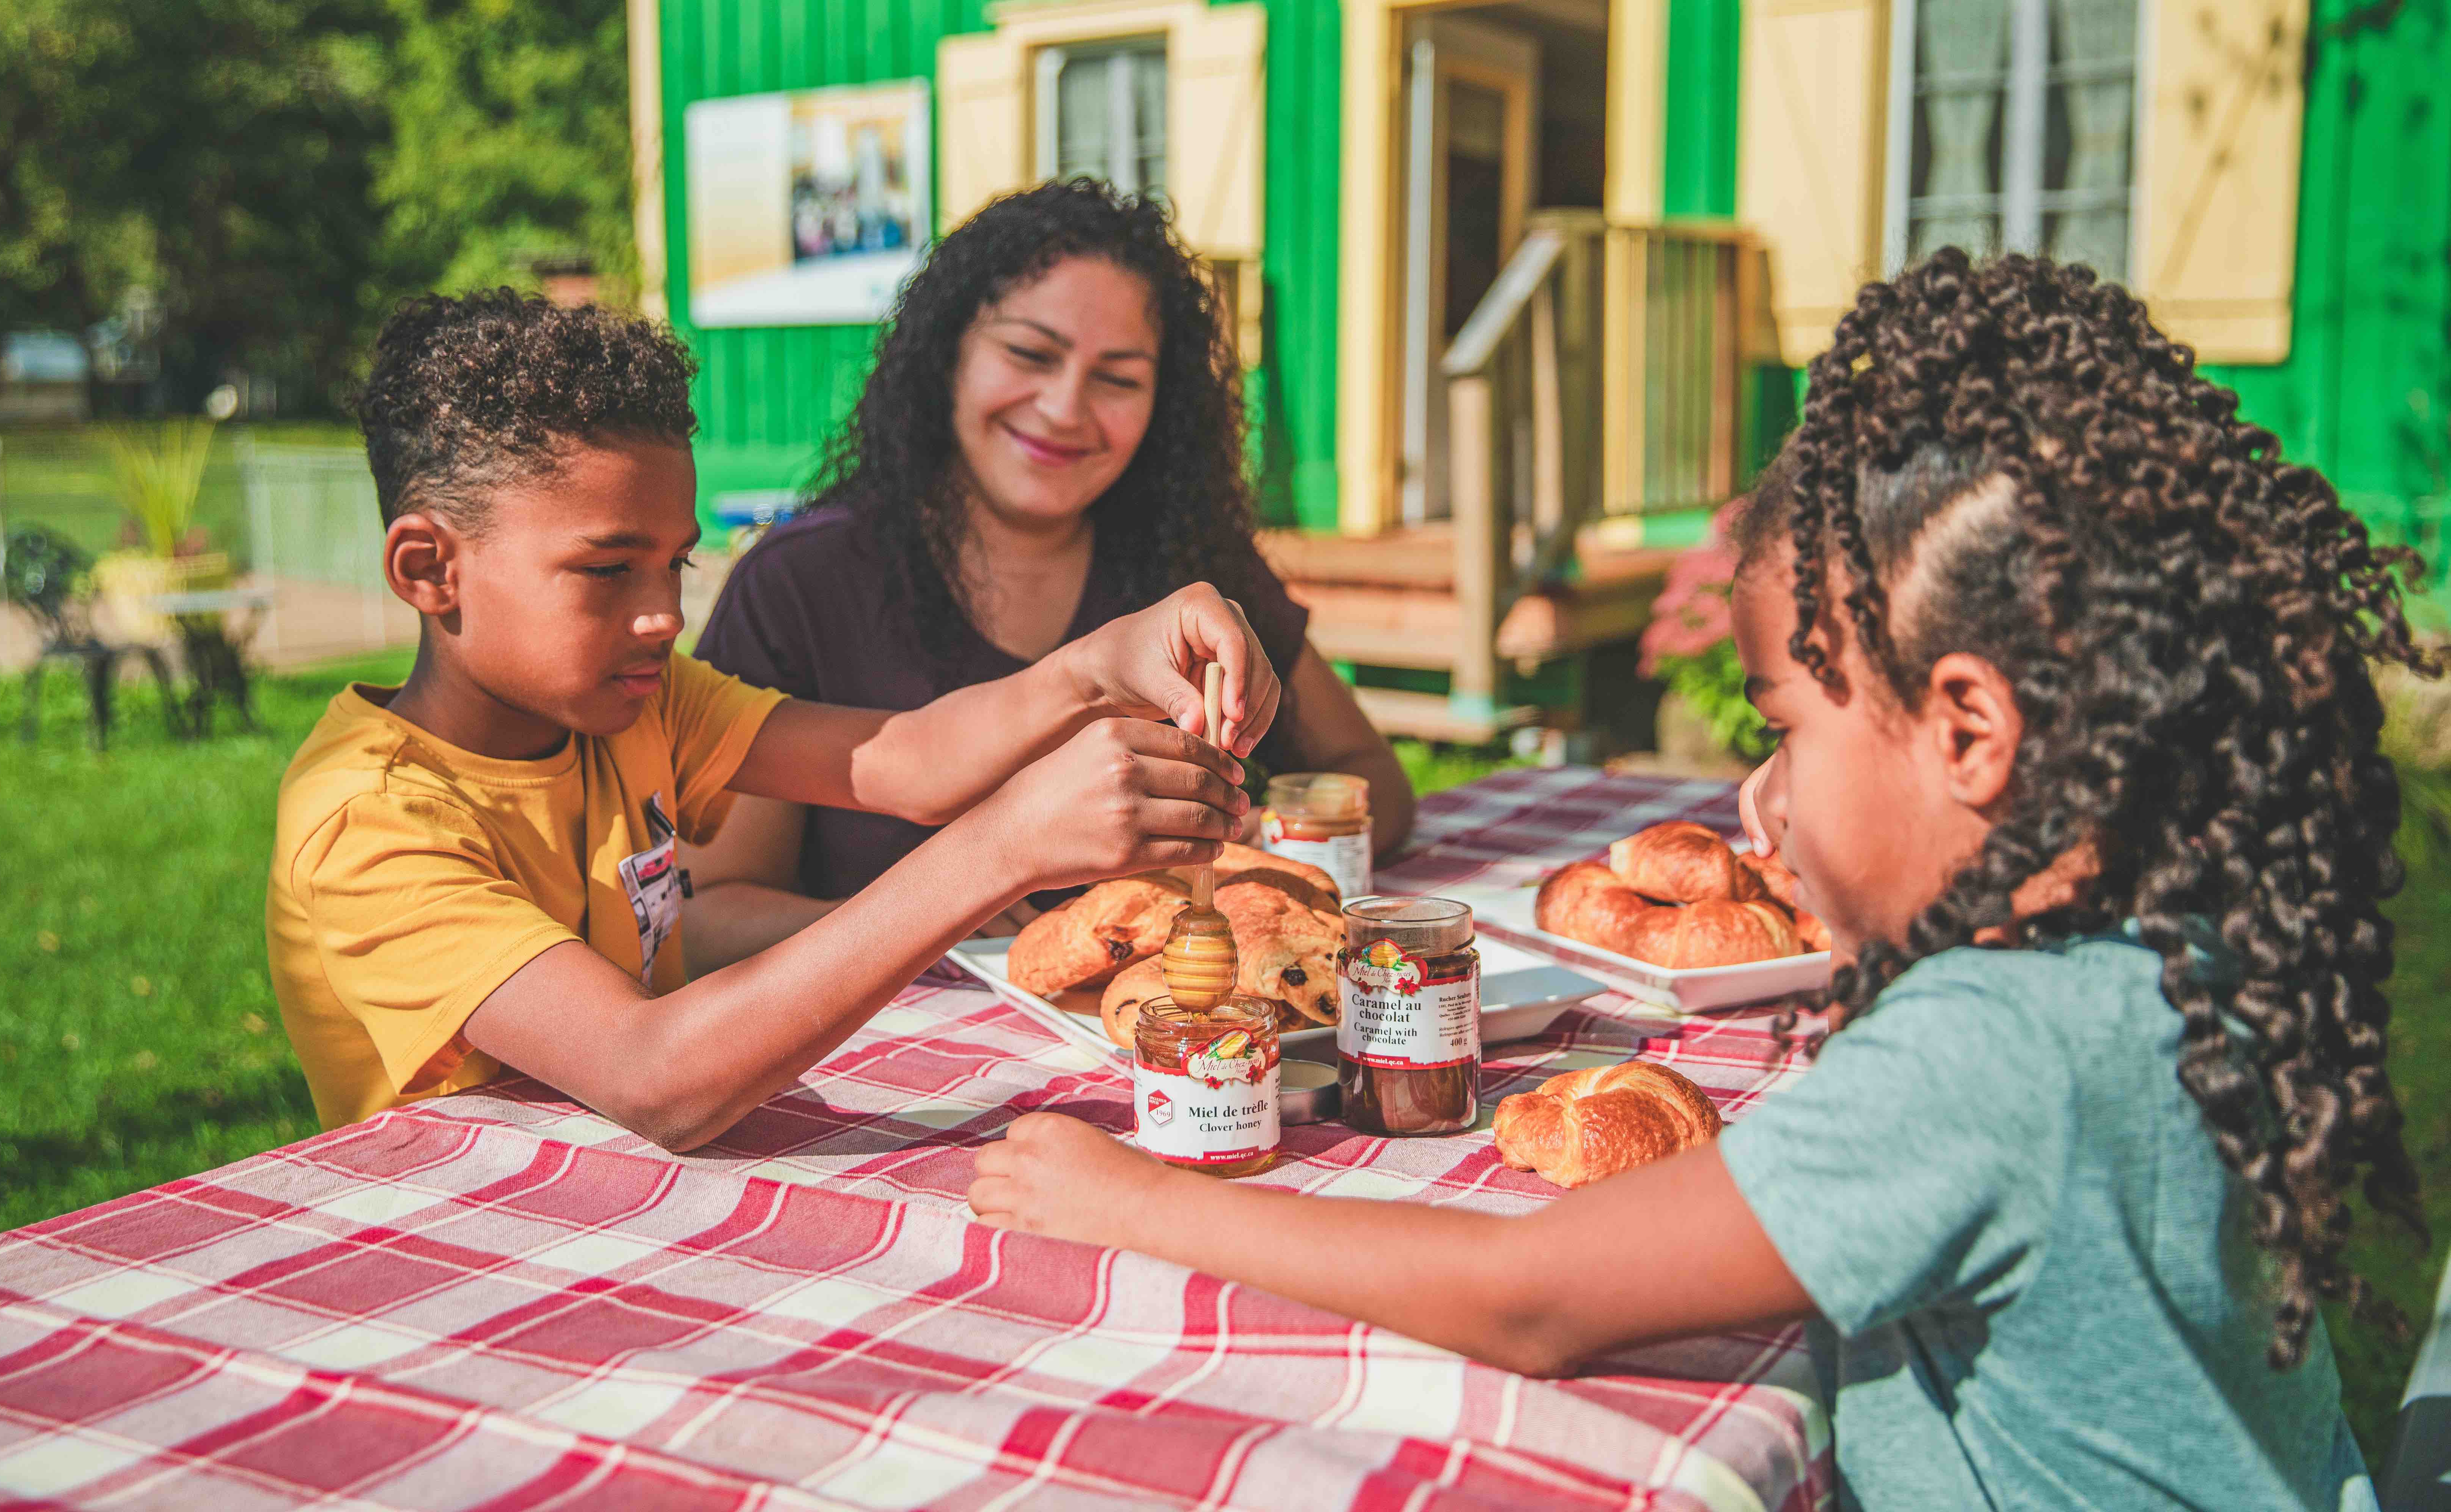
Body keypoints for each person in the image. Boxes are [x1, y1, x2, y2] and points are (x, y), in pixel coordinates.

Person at [966, 251, 2425, 1510]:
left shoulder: (1992, 1052)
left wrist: (1135, 1203)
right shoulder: (2168, 944)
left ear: (1972, 728)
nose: (1756, 798)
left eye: (1786, 727)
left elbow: (1525, 1298)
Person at [267, 289, 1280, 1148]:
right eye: (608, 570)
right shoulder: (369, 823)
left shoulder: (635, 705)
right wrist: (1004, 846)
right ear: (429, 570)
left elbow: (906, 760)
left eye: (677, 564)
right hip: (462, 1244)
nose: (664, 614)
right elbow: (654, 1075)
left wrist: (1101, 666)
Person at [684, 180, 1412, 962]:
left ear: (1163, 405)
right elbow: (706, 919)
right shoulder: (800, 584)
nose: (1066, 408)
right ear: (947, 353)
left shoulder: (1191, 565)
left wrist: (1258, 843)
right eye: (1030, 354)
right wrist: (937, 915)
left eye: (1119, 378)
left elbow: (1377, 780)